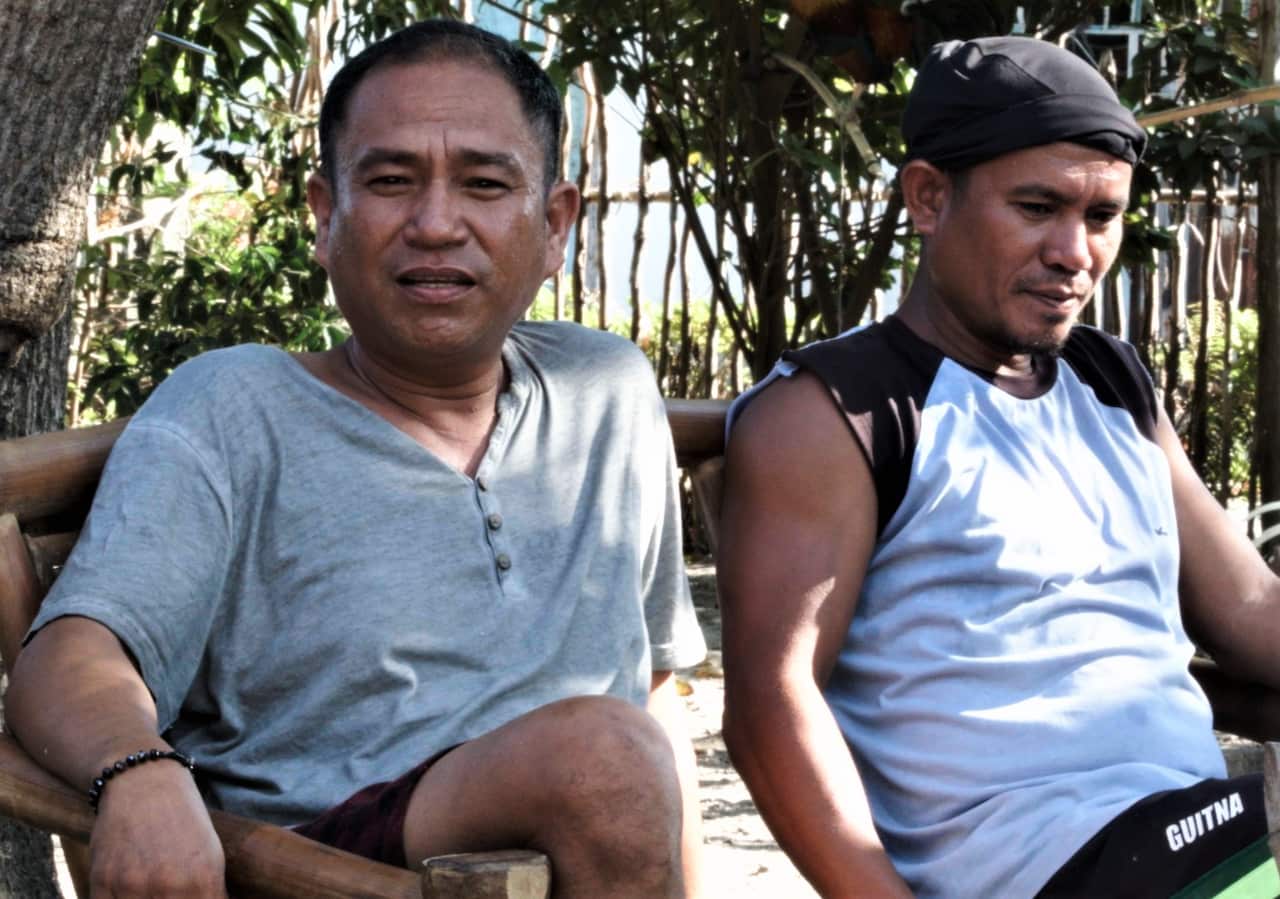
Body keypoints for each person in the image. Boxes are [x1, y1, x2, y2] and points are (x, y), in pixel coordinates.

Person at [6, 20, 706, 899]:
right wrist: (139, 769)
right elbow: (72, 652)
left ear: (556, 222)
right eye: (389, 181)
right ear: (325, 215)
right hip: (326, 868)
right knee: (603, 757)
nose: (437, 224)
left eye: (486, 183)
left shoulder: (607, 390)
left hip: (576, 861)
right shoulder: (235, 409)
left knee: (617, 751)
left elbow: (653, 698)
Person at [718, 35, 1280, 899]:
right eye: (1036, 207)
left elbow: (1248, 605)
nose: (1075, 253)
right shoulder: (843, 413)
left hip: (1198, 845)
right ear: (929, 197)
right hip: (1042, 866)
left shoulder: (1108, 381)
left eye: (1101, 218)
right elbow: (771, 708)